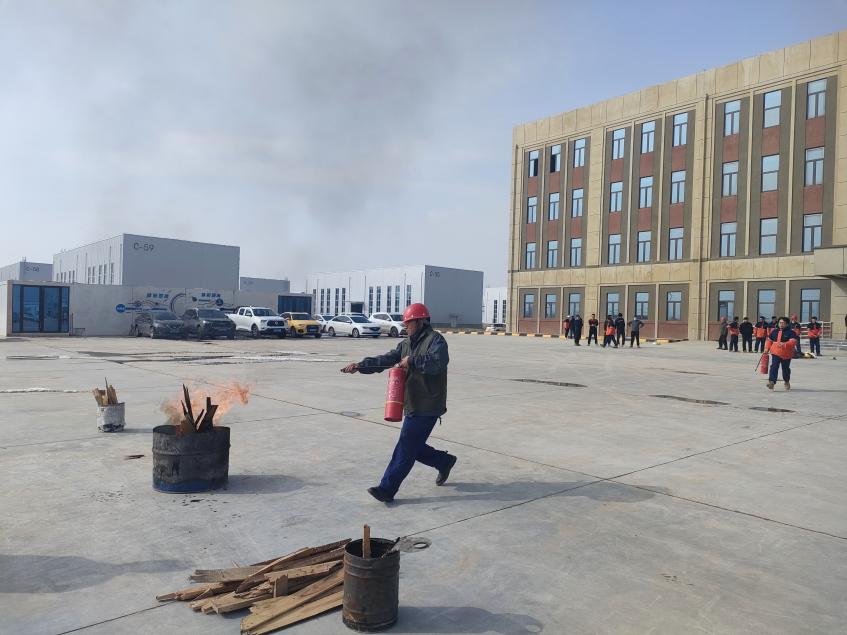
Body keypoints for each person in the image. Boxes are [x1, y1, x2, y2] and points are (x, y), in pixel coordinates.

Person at [341, 303, 455, 503]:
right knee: (413, 446)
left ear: (420, 321)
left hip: (428, 404)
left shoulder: (436, 340)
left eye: (408, 323)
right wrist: (360, 366)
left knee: (406, 446)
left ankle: (387, 489)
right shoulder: (405, 344)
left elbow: (437, 363)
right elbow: (386, 359)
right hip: (412, 403)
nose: (406, 327)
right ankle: (444, 461)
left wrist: (412, 361)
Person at [766, 316, 799, 390]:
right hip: (775, 352)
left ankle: (786, 381)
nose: (781, 324)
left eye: (783, 323)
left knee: (785, 369)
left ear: (787, 324)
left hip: (786, 354)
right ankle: (772, 382)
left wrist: (785, 344)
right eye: (780, 322)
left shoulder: (791, 332)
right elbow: (769, 340)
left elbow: (793, 341)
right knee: (774, 366)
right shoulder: (774, 331)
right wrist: (766, 349)